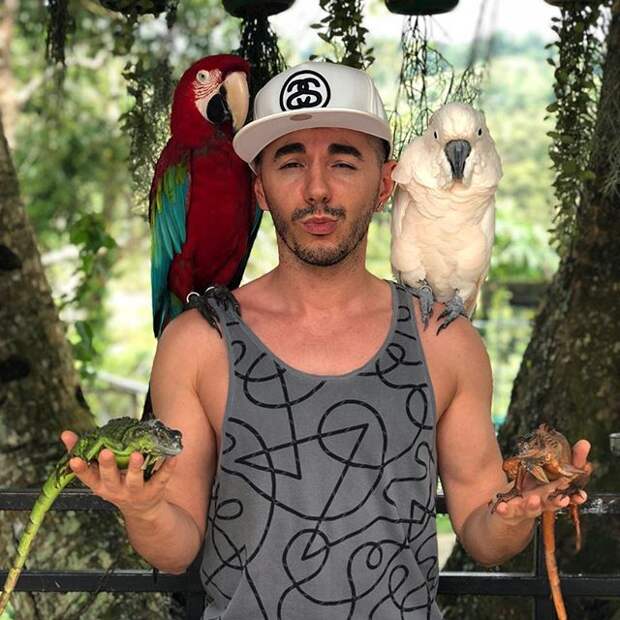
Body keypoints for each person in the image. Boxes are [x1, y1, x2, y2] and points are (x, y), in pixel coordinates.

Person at [62, 62, 590, 619]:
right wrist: (144, 509)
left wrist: (517, 511)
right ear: (260, 188)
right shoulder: (197, 343)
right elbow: (175, 549)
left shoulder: (444, 341)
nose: (317, 189)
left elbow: (485, 536)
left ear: (384, 185)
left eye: (343, 162)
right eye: (291, 163)